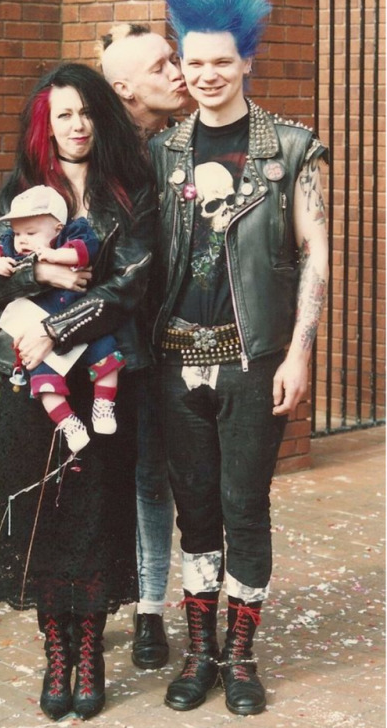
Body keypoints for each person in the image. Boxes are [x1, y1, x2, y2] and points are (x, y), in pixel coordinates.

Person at [148, 0, 329, 716]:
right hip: (173, 360)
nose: (209, 74)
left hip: (253, 361)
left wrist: (300, 353)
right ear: (183, 64)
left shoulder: (288, 148)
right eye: (195, 62)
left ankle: (241, 655)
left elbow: (315, 251)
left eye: (223, 61)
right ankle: (200, 653)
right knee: (195, 513)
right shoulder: (162, 150)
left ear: (247, 61)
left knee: (244, 508)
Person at [0, 62, 156, 722]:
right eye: (62, 114)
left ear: (100, 117)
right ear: (45, 124)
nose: (75, 125)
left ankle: (92, 646)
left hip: (101, 379)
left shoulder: (127, 192)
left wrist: (58, 326)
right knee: (44, 508)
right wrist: (38, 267)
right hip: (30, 383)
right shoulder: (21, 191)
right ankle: (57, 646)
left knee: (97, 506)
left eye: (84, 112)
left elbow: (126, 288)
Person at [99, 23, 189, 670]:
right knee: (99, 480)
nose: (178, 71)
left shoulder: (176, 151)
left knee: (151, 483)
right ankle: (95, 599)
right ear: (124, 88)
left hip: (162, 351)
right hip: (103, 350)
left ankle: (151, 610)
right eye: (162, 65)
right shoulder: (93, 163)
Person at [0, 184, 126, 453]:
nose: (21, 240)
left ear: (58, 228)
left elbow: (84, 253)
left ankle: (104, 405)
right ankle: (68, 422)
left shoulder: (73, 234)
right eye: (17, 233)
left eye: (31, 233)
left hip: (81, 325)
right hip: (38, 336)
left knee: (107, 358)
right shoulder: (17, 249)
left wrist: (53, 255)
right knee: (45, 383)